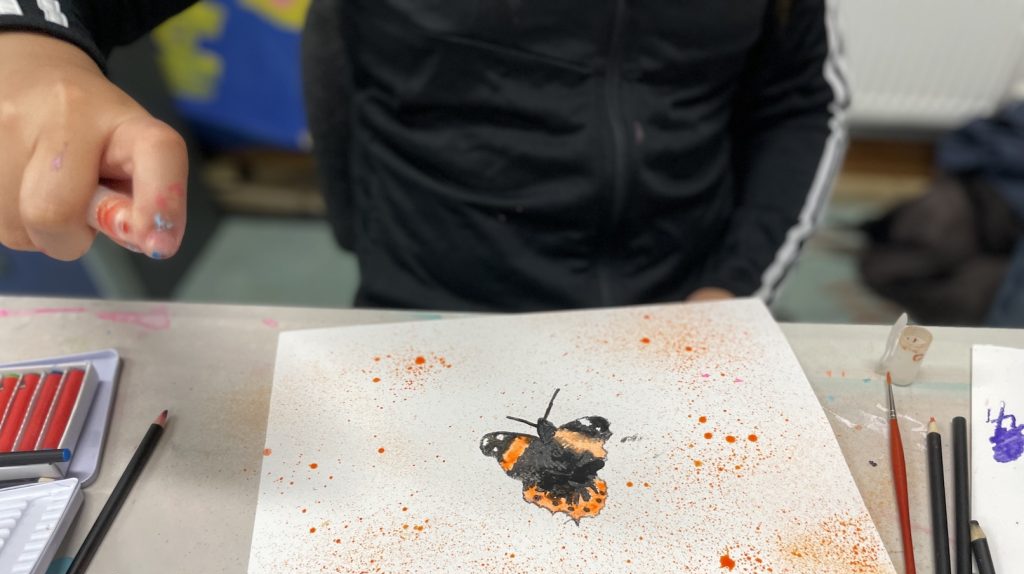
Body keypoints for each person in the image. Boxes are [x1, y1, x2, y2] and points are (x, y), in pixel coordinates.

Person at [0, 0, 848, 311]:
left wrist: (732, 294)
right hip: (429, 312)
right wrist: (28, 41)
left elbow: (799, 100)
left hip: (685, 311)